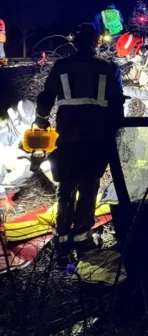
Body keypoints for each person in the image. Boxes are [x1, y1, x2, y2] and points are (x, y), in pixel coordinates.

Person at [34, 23, 125, 264]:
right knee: (89, 186)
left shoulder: (62, 66)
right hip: (97, 138)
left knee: (66, 186)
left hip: (68, 138)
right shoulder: (109, 68)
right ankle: (83, 240)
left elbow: (45, 99)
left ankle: (62, 240)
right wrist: (119, 134)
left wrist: (40, 123)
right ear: (96, 41)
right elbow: (117, 105)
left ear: (74, 42)